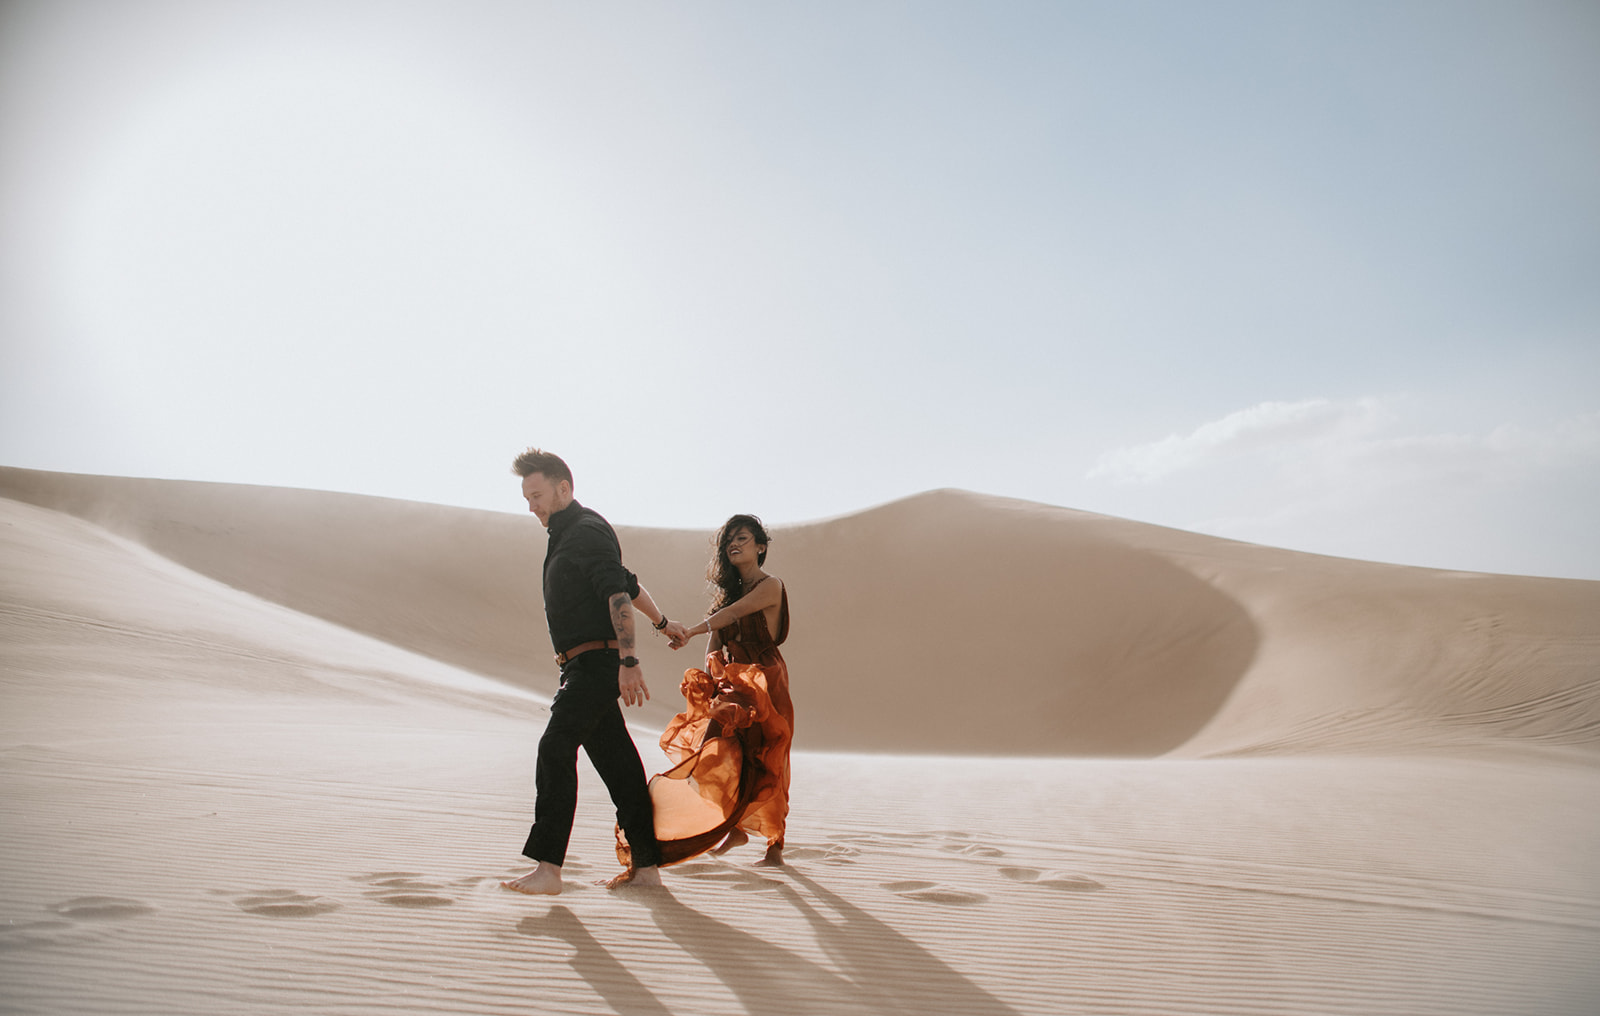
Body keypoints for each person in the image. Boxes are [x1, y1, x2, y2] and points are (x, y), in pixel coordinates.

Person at [501, 448, 688, 895]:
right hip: (586, 666)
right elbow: (629, 583)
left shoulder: (585, 531)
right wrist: (663, 623)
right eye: (527, 497)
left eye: (538, 495)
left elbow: (617, 597)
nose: (532, 506)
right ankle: (647, 869)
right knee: (619, 765)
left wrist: (628, 661)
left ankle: (549, 869)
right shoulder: (570, 535)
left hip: (596, 664)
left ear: (564, 488)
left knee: (555, 746)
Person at [621, 514, 792, 868]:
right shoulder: (724, 597)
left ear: (760, 546)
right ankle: (735, 827)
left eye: (743, 538)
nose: (734, 544)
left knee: (766, 755)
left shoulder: (771, 585)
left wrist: (690, 630)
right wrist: (712, 679)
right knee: (720, 746)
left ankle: (775, 843)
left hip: (764, 678)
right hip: (733, 680)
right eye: (729, 540)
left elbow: (734, 614)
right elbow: (717, 637)